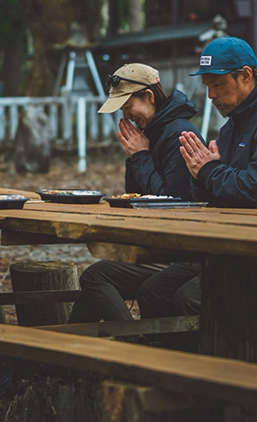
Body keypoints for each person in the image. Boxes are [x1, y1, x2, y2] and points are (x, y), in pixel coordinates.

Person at [141, 36, 257, 317]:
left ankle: (218, 358)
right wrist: (199, 178)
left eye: (217, 85)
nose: (211, 95)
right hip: (236, 246)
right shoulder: (231, 128)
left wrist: (209, 171)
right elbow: (217, 195)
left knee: (189, 298)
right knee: (153, 292)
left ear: (246, 76)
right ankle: (176, 359)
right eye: (207, 87)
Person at [67, 64, 203, 324]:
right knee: (94, 282)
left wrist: (141, 156)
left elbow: (171, 204)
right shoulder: (152, 132)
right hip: (156, 243)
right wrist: (136, 157)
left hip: (178, 251)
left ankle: (136, 341)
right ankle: (67, 350)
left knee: (95, 277)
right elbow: (136, 194)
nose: (126, 115)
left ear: (149, 97)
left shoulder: (179, 134)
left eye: (127, 106)